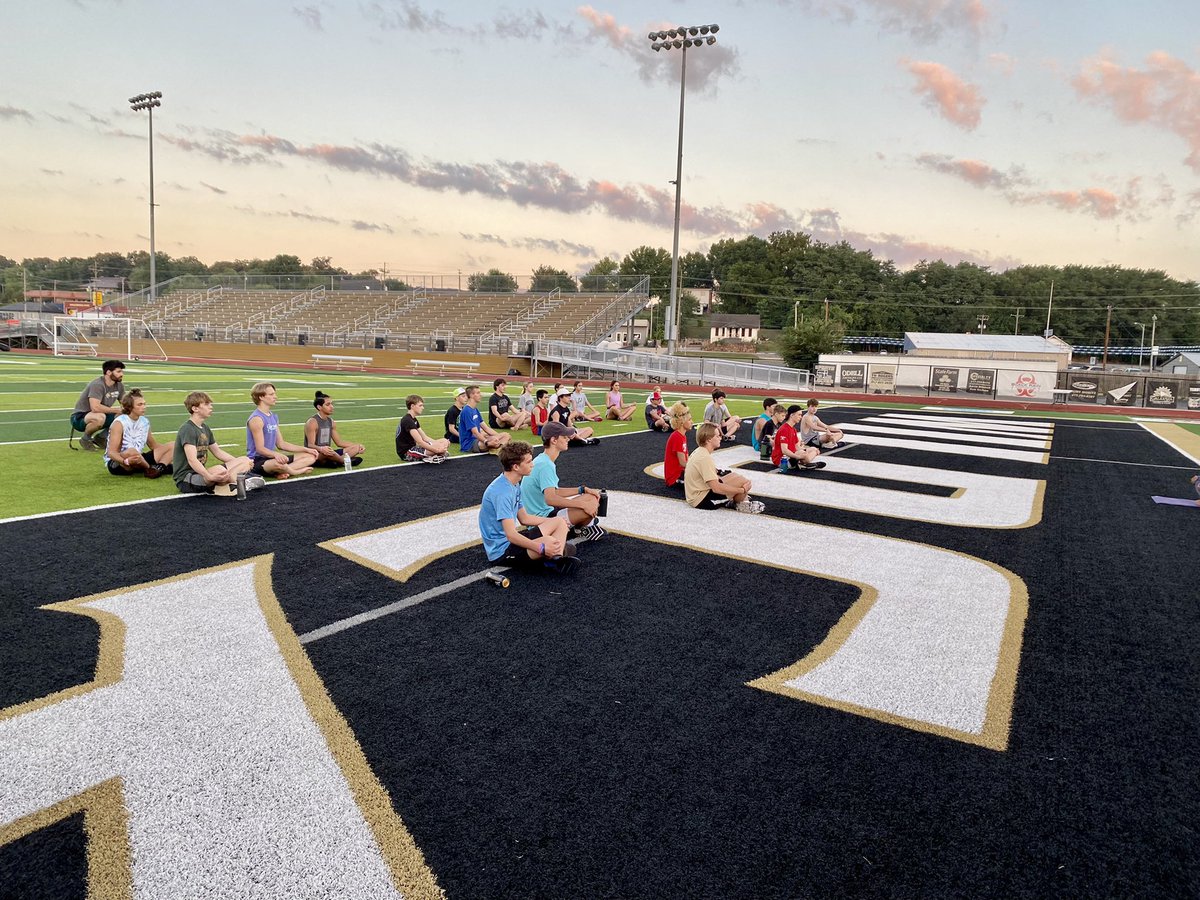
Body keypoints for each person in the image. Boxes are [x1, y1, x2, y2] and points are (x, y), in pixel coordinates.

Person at [479, 440, 578, 575]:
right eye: (528, 462)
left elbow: (524, 518)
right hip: (502, 551)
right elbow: (511, 536)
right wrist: (541, 548)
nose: (533, 464)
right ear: (516, 467)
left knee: (559, 521)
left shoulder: (513, 483)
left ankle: (555, 558)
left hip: (509, 542)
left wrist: (550, 522)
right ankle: (554, 558)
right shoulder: (502, 492)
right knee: (550, 542)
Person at [520, 421, 607, 541]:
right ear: (554, 440)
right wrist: (583, 505)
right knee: (590, 503)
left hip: (542, 514)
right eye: (564, 437)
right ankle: (578, 529)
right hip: (543, 520)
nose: (568, 439)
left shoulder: (542, 459)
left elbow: (555, 492)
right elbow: (551, 499)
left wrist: (581, 489)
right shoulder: (545, 465)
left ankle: (578, 527)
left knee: (591, 497)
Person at [172, 391, 258, 494]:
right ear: (195, 408)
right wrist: (209, 476)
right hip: (187, 479)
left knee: (245, 459)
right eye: (206, 404)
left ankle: (232, 482)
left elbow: (218, 452)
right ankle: (236, 482)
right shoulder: (188, 429)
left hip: (201, 474)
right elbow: (192, 460)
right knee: (219, 471)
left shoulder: (205, 428)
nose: (211, 407)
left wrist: (240, 462)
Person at [684, 423, 763, 513]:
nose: (720, 438)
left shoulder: (699, 451)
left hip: (696, 495)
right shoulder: (704, 457)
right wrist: (741, 490)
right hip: (702, 500)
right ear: (709, 439)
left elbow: (715, 479)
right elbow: (716, 488)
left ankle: (738, 499)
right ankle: (742, 504)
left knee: (735, 476)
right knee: (743, 483)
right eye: (717, 436)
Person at [246, 382, 317, 479]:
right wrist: (275, 454)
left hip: (271, 457)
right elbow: (260, 449)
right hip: (257, 461)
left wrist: (306, 449)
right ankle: (294, 471)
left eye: (274, 394)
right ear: (261, 397)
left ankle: (282, 471)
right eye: (271, 394)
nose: (275, 397)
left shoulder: (273, 417)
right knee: (278, 464)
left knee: (310, 457)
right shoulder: (257, 419)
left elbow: (281, 444)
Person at [103, 389, 174, 478]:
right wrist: (125, 462)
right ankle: (150, 469)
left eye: (144, 404)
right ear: (130, 407)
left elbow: (153, 446)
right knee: (131, 452)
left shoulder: (145, 422)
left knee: (174, 445)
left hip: (139, 458)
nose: (144, 407)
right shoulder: (119, 423)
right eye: (140, 404)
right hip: (120, 462)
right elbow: (112, 453)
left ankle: (160, 467)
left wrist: (168, 454)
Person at [71, 359, 126, 451]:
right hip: (80, 417)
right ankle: (86, 439)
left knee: (126, 415)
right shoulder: (98, 384)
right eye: (118, 371)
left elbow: (125, 403)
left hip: (101, 414)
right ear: (108, 372)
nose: (122, 374)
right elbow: (95, 408)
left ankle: (101, 438)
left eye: (122, 371)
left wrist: (134, 405)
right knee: (99, 417)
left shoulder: (119, 386)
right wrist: (117, 410)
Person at [304, 391, 365, 467]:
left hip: (330, 452)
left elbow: (339, 443)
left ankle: (334, 461)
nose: (332, 407)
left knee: (356, 448)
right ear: (319, 407)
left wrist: (358, 445)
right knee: (329, 453)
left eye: (331, 404)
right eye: (328, 404)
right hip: (316, 454)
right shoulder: (312, 422)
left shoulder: (331, 421)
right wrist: (322, 449)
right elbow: (310, 445)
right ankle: (342, 461)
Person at [395, 394, 451, 463]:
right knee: (438, 448)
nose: (423, 408)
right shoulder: (407, 420)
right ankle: (432, 456)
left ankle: (434, 454)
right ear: (412, 406)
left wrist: (438, 444)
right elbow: (420, 442)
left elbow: (425, 437)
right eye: (420, 405)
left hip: (414, 448)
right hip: (407, 452)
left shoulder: (413, 419)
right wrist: (436, 450)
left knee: (444, 441)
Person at [772, 404, 826, 473]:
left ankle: (803, 464)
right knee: (803, 454)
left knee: (813, 450)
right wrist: (798, 456)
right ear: (791, 415)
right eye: (799, 415)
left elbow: (797, 447)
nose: (801, 417)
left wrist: (808, 449)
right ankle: (805, 464)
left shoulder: (793, 429)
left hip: (791, 456)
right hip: (782, 460)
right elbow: (784, 450)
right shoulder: (784, 429)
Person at [459, 385, 510, 453]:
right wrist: (486, 442)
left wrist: (497, 436)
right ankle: (499, 449)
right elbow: (475, 433)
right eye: (478, 393)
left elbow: (486, 428)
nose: (481, 395)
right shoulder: (466, 411)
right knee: (494, 441)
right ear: (471, 395)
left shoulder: (475, 410)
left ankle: (498, 449)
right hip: (469, 444)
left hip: (478, 440)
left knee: (506, 435)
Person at [663, 402, 692, 489]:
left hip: (680, 473)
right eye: (689, 420)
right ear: (682, 421)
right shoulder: (677, 437)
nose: (692, 422)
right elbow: (683, 463)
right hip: (674, 478)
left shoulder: (682, 436)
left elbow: (687, 459)